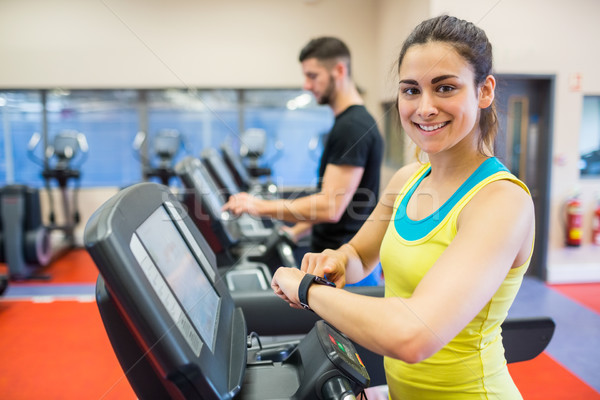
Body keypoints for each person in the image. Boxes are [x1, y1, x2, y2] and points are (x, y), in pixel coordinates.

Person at [270, 15, 535, 399]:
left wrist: (307, 289)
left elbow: (413, 336)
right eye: (411, 90)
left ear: (484, 91)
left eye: (445, 88)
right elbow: (360, 255)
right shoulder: (408, 179)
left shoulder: (501, 201)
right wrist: (338, 262)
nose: (424, 108)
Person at [223, 37, 384, 254]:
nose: (306, 85)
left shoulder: (352, 127)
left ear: (338, 70)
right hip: (336, 256)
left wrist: (257, 206)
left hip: (346, 263)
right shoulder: (347, 123)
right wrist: (296, 231)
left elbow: (330, 207)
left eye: (312, 76)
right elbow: (342, 201)